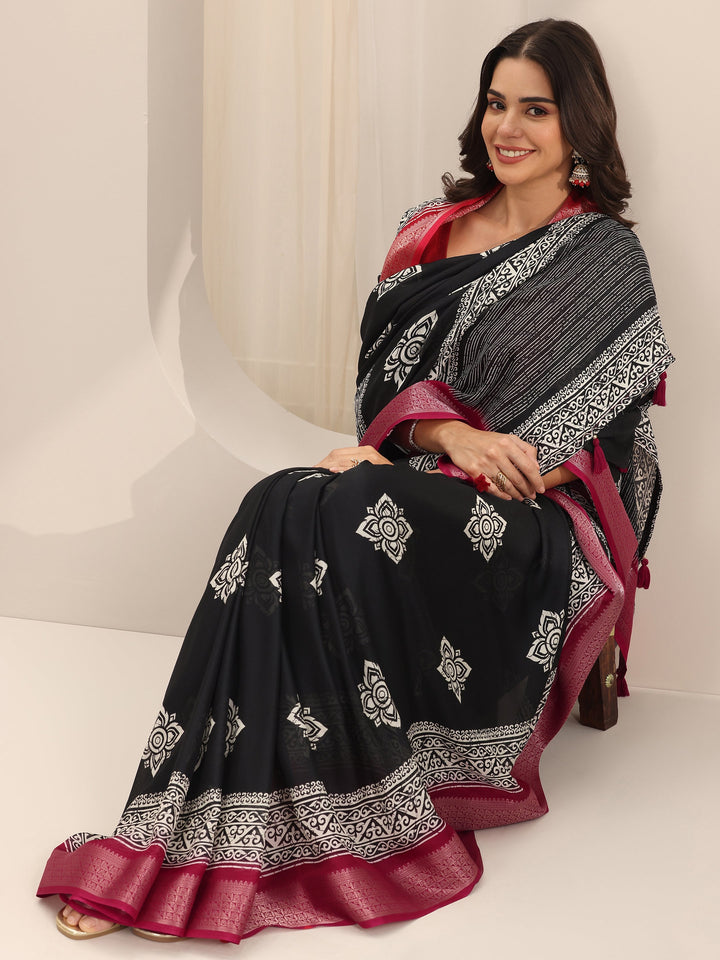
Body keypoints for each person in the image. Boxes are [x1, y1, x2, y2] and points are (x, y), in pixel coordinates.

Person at [39, 18, 673, 944]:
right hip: (419, 479)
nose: (508, 128)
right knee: (283, 499)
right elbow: (378, 388)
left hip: (534, 514)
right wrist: (445, 437)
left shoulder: (604, 257)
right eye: (496, 104)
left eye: (535, 109)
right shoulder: (430, 230)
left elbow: (610, 437)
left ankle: (245, 825)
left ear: (579, 121)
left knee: (330, 503)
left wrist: (473, 457)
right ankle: (179, 827)